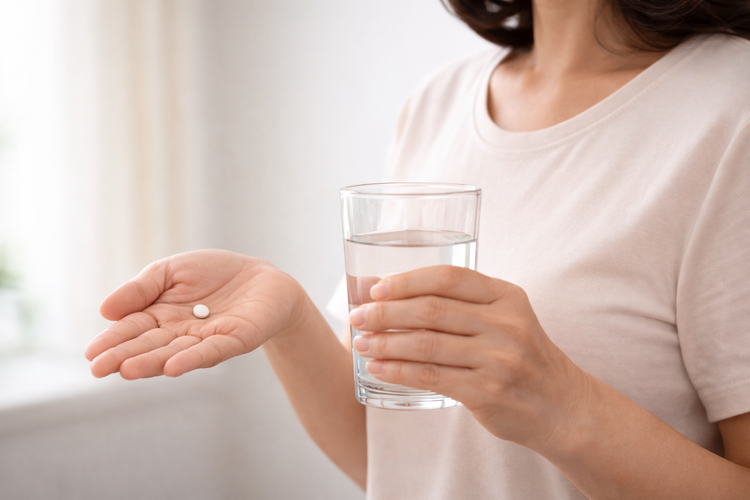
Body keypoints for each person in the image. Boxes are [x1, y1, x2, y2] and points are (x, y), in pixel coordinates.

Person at [84, 0, 750, 498]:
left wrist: (561, 404)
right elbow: (395, 460)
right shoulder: (442, 99)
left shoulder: (732, 107)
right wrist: (287, 315)